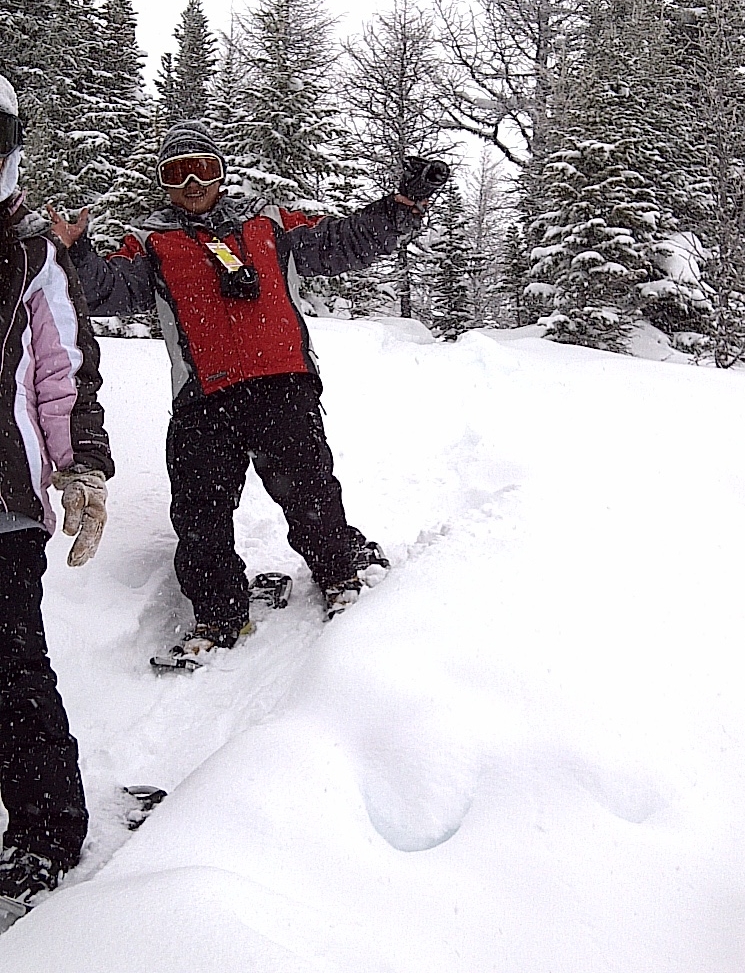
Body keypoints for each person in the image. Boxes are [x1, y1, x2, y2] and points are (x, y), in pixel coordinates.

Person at [49, 121, 447, 653]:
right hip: (203, 398)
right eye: (177, 172)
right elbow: (107, 291)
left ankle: (338, 570)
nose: (193, 183)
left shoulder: (269, 224)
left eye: (204, 169)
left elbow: (343, 242)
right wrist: (77, 255)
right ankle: (218, 615)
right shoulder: (149, 245)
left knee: (309, 492)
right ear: (163, 183)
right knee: (199, 514)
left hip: (281, 384)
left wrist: (402, 206)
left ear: (222, 172)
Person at [0, 75, 114, 907]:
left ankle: (45, 832)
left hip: (1, 505)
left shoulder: (32, 259)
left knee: (10, 673)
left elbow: (61, 372)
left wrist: (81, 465)